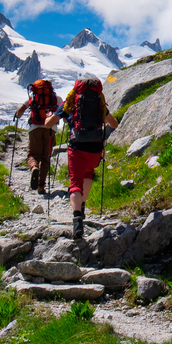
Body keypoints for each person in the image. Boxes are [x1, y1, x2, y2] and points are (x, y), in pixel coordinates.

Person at [50, 77, 118, 239]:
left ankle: (77, 218)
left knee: (75, 184)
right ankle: (83, 207)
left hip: (77, 146)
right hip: (96, 148)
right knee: (88, 173)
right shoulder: (99, 102)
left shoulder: (70, 102)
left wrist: (50, 116)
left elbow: (49, 123)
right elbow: (114, 124)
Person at [12, 78, 60, 194]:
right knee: (45, 157)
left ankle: (34, 167)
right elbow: (62, 111)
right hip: (50, 129)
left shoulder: (33, 97)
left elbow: (20, 111)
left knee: (33, 154)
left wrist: (16, 116)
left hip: (35, 128)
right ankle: (41, 186)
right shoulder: (56, 98)